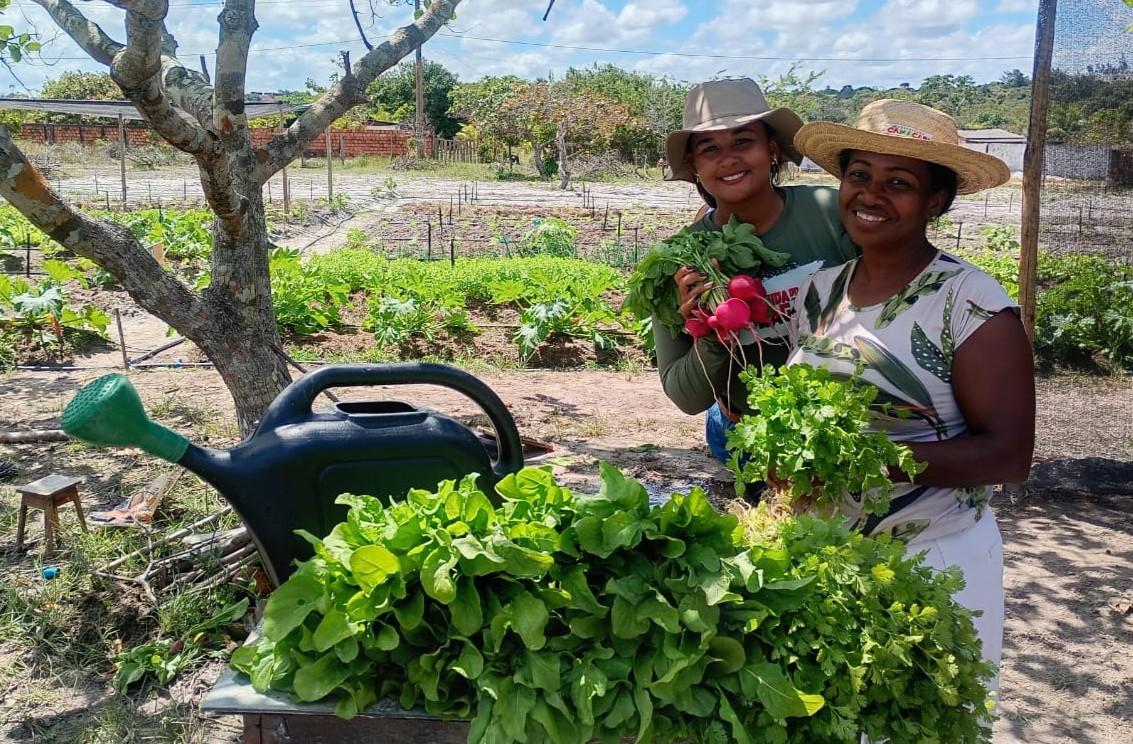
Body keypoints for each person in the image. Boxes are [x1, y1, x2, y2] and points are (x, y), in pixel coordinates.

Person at [790, 99, 1035, 693]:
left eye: (898, 182)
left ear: (936, 202)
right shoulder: (818, 293)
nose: (871, 194)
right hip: (828, 557)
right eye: (859, 175)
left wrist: (862, 460)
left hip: (933, 561)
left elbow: (1008, 456)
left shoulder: (970, 303)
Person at [654, 78, 858, 462]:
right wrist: (708, 331)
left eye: (743, 141)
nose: (728, 159)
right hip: (747, 433)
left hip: (846, 425)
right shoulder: (679, 261)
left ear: (772, 149)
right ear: (695, 165)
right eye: (710, 148)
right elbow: (686, 398)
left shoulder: (831, 213)